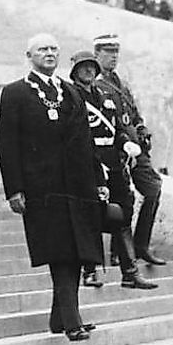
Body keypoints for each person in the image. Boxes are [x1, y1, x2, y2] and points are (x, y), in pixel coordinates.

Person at [0, 33, 106, 342]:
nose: (49, 53)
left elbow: (86, 140)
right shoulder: (16, 93)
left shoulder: (70, 92)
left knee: (75, 251)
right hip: (41, 189)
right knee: (60, 253)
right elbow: (7, 145)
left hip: (76, 185)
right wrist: (14, 189)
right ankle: (72, 320)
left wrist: (98, 180)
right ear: (29, 54)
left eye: (54, 49)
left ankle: (61, 318)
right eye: (42, 49)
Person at [69, 51, 158, 290]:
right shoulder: (71, 96)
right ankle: (89, 271)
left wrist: (124, 142)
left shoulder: (105, 96)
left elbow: (117, 127)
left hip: (113, 162)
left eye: (91, 68)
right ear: (75, 71)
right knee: (89, 216)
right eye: (83, 68)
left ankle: (130, 273)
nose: (88, 71)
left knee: (122, 214)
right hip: (87, 162)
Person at [93, 34, 166, 265]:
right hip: (115, 150)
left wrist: (142, 129)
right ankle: (118, 252)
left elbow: (133, 114)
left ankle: (141, 245)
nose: (113, 56)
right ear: (97, 54)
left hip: (136, 149)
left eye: (116, 52)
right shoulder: (94, 84)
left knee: (153, 189)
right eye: (108, 51)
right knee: (122, 199)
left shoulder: (120, 83)